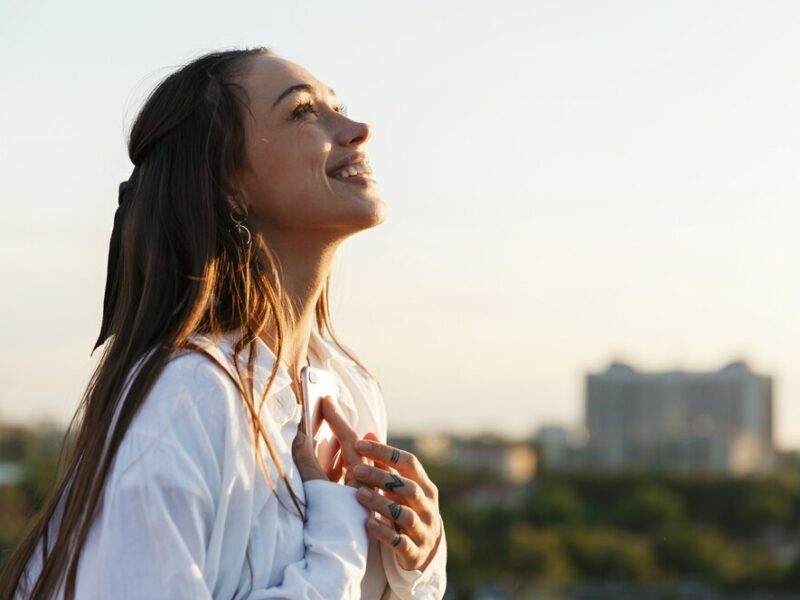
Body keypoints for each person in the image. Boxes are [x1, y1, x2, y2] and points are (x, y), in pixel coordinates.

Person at [0, 47, 446, 599]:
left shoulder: (351, 392)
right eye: (304, 111)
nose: (358, 129)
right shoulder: (185, 398)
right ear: (228, 184)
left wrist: (418, 560)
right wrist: (338, 548)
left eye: (339, 106)